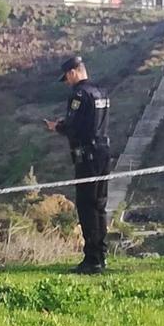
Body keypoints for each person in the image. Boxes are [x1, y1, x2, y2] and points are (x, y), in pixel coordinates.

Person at [44, 56, 110, 274]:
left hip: (87, 156)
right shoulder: (100, 91)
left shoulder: (79, 95)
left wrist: (57, 127)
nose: (68, 83)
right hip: (103, 152)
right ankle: (101, 254)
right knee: (100, 205)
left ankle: (92, 259)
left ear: (73, 72)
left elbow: (75, 127)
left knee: (86, 206)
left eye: (67, 78)